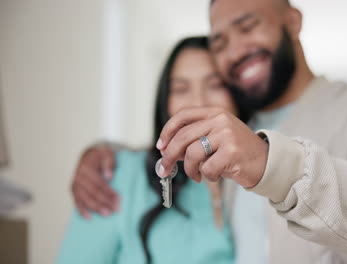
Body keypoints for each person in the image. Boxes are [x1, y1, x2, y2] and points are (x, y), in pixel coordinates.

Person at [71, 0, 347, 263]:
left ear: (293, 22)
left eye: (248, 27)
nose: (235, 51)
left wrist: (272, 164)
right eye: (220, 42)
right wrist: (105, 152)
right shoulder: (239, 127)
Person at [58, 36, 240, 264]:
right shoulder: (119, 174)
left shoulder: (255, 178)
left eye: (216, 85)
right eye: (180, 89)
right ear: (165, 102)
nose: (198, 102)